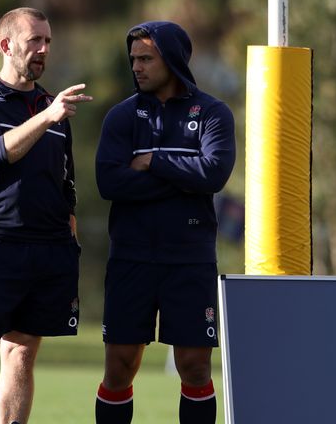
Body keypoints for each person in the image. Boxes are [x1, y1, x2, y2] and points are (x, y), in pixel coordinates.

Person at [0, 7, 92, 424]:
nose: (43, 50)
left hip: (47, 248)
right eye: (34, 42)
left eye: (48, 41)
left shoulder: (51, 104)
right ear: (6, 46)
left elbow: (66, 174)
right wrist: (47, 117)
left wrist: (70, 215)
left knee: (21, 355)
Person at [94, 21, 236, 423]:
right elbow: (109, 182)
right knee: (120, 366)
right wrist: (181, 178)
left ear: (171, 60)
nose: (136, 67)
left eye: (146, 59)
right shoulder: (122, 117)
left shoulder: (212, 114)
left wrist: (154, 162)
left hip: (190, 259)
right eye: (133, 59)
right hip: (131, 258)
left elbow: (213, 174)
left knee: (193, 366)